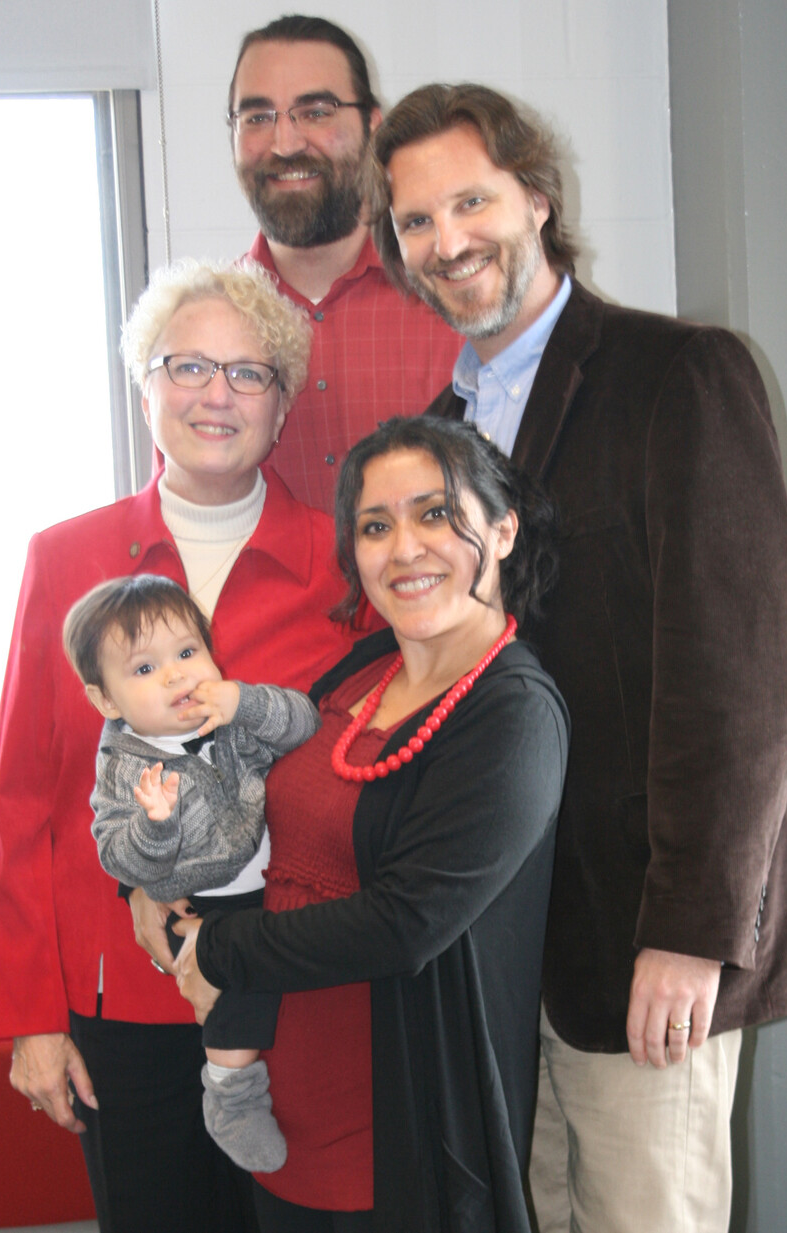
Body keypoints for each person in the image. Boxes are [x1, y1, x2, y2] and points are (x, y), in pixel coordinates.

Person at [370, 83, 787, 1232]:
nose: (447, 239)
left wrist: (691, 930)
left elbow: (738, 682)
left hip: (642, 947)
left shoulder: (680, 376)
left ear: (535, 196)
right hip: (504, 948)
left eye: (470, 200)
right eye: (415, 220)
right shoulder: (438, 438)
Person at [0, 258, 359, 1232]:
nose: (215, 396)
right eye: (187, 367)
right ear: (143, 385)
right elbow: (23, 799)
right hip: (122, 1005)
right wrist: (29, 1018)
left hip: (295, 995)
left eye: (247, 373)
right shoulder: (63, 559)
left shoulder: (345, 565)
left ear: (281, 405)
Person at [165, 415, 570, 1232]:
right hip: (282, 1103)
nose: (404, 548)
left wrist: (217, 948)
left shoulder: (514, 715)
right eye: (376, 526)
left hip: (396, 1125)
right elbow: (256, 808)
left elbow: (405, 922)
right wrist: (154, 876)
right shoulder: (362, 667)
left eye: (434, 514)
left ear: (502, 528)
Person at [63, 573, 323, 1174]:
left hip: (269, 884)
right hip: (199, 906)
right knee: (239, 1001)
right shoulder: (126, 768)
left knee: (279, 972)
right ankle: (231, 1095)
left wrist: (245, 701)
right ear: (106, 701)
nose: (179, 675)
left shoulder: (227, 716)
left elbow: (304, 723)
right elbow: (117, 857)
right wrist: (155, 826)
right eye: (145, 669)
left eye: (187, 652)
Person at [227, 14, 461, 511]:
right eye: (257, 117)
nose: (285, 143)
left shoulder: (453, 299)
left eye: (316, 111)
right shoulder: (203, 331)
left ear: (373, 126)